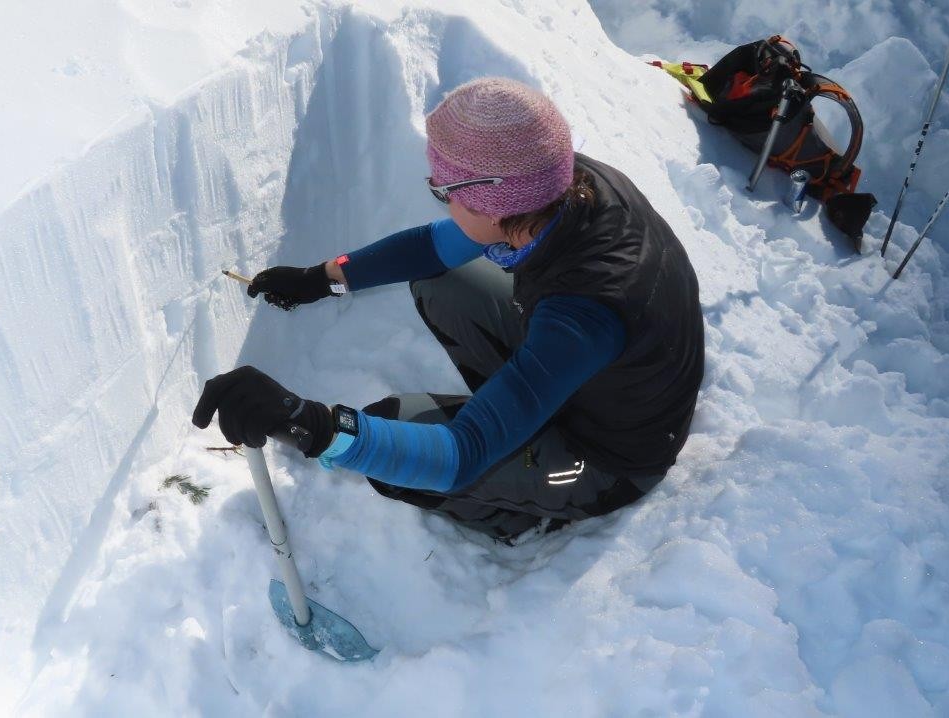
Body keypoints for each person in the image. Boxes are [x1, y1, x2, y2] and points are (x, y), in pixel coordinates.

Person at [192, 77, 704, 543]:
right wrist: (320, 279)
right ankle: (519, 412)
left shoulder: (584, 314)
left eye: (442, 191)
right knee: (443, 282)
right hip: (598, 376)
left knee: (390, 446)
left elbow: (463, 454)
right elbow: (435, 249)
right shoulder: (562, 183)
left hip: (606, 457)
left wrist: (311, 425)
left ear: (492, 203)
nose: (440, 202)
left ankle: (524, 512)